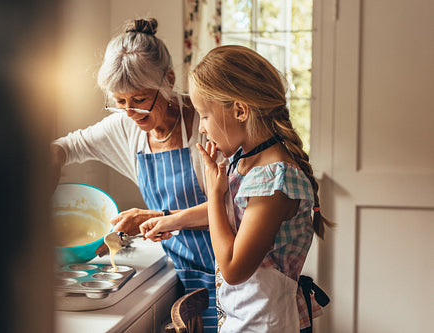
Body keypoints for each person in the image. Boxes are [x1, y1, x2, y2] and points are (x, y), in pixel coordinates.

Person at [141, 45, 332, 332]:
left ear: (240, 110)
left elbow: (232, 269)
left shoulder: (274, 181)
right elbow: (237, 208)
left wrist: (215, 193)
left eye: (204, 115)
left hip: (264, 324)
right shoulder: (246, 161)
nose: (202, 128)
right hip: (243, 318)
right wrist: (170, 220)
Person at [50, 18, 218, 331]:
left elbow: (232, 207)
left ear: (167, 80)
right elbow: (66, 147)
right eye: (120, 102)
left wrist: (156, 217)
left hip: (228, 266)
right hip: (183, 271)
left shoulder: (206, 126)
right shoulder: (127, 127)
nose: (131, 113)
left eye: (139, 100)